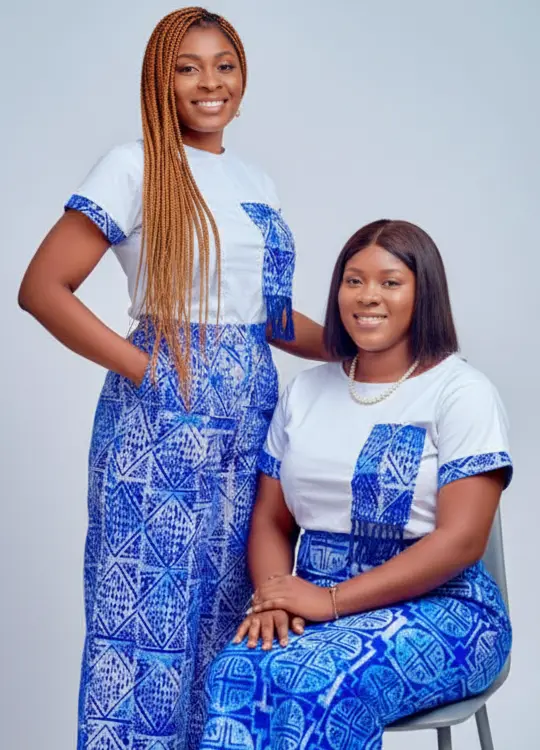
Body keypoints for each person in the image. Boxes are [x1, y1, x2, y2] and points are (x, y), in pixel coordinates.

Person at [18, 8, 328, 749]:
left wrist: (364, 350)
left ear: (243, 78)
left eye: (225, 65)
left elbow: (272, 319)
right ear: (161, 81)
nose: (209, 82)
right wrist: (147, 368)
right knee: (143, 631)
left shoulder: (258, 181)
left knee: (232, 614)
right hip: (159, 422)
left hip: (250, 418)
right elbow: (42, 288)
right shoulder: (134, 165)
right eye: (188, 67)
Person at [200, 219, 513, 750]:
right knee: (235, 671)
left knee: (317, 684)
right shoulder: (305, 391)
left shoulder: (461, 391)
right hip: (312, 598)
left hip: (445, 607)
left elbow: (462, 540)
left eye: (391, 282)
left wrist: (332, 601)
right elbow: (272, 520)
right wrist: (275, 598)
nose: (368, 296)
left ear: (424, 293)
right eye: (354, 280)